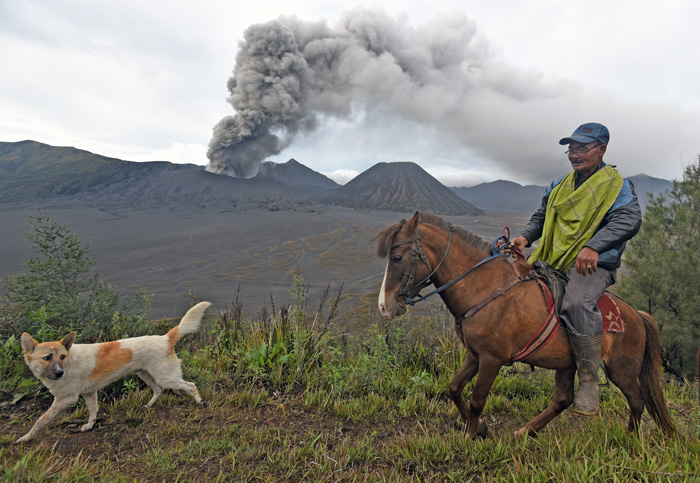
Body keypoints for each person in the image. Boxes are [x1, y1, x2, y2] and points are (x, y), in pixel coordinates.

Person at [510, 122, 642, 415]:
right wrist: (525, 236)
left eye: (582, 149)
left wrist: (594, 246)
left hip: (594, 264)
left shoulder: (617, 185)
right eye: (571, 149)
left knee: (578, 303)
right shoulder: (560, 185)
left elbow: (628, 221)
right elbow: (542, 216)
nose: (574, 155)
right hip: (555, 259)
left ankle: (588, 380)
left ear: (601, 150)